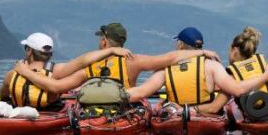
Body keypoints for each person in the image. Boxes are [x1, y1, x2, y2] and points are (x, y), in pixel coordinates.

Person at [13, 22, 220, 95]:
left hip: (94, 115)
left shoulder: (91, 64)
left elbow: (56, 84)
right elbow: (170, 58)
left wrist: (25, 72)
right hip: (124, 113)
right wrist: (201, 52)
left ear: (104, 42)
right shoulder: (134, 60)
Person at [127, 26, 268, 108]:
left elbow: (138, 94)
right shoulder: (213, 66)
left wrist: (110, 94)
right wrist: (267, 75)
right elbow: (238, 90)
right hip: (205, 117)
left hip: (177, 117)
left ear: (180, 44)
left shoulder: (165, 70)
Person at [0, 32, 132, 109]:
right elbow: (82, 60)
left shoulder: (11, 75)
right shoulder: (56, 72)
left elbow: (3, 96)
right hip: (49, 118)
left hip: (17, 116)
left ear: (28, 51)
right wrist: (112, 50)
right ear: (50, 54)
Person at [188, 26, 268, 115]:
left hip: (257, 115)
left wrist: (192, 109)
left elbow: (214, 108)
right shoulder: (267, 67)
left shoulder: (232, 77)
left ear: (234, 50)